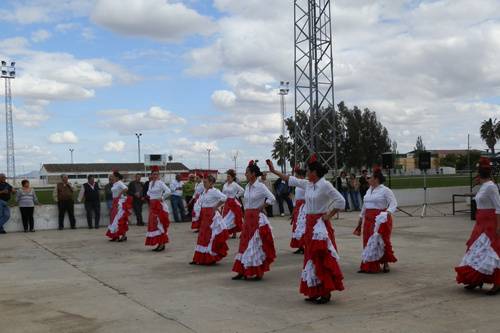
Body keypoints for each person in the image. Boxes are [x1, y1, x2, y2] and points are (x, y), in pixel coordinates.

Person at [268, 155, 346, 304]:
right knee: (311, 257)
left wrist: (328, 215)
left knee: (322, 257)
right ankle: (314, 289)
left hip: (319, 225)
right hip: (310, 224)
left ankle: (325, 291)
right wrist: (274, 171)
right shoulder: (308, 184)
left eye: (309, 171)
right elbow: (290, 179)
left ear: (315, 172)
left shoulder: (325, 185)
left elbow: (341, 201)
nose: (306, 173)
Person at [455, 157, 500, 295]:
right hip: (480, 223)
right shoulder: (484, 186)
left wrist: (498, 226)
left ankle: (497, 283)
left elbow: (499, 207)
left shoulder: (491, 187)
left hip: (490, 223)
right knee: (476, 251)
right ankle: (476, 279)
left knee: (490, 252)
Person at [232, 160, 276, 281]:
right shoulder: (247, 186)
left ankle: (257, 271)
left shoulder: (261, 186)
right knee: (244, 243)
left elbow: (272, 198)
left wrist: (262, 206)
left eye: (247, 172)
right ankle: (242, 269)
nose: (245, 174)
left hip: (256, 217)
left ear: (253, 174)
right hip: (247, 217)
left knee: (255, 244)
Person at [356, 166, 398, 274]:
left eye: (370, 177)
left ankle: (385, 263)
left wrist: (387, 213)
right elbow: (365, 205)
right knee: (368, 241)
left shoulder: (385, 190)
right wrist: (361, 217)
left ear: (376, 179)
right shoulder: (368, 191)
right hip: (368, 219)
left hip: (380, 219)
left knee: (381, 241)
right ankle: (368, 264)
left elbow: (394, 203)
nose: (368, 179)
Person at [190, 175, 228, 265]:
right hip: (204, 216)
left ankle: (209, 257)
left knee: (209, 236)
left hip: (211, 216)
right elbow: (200, 202)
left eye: (205, 182)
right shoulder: (204, 192)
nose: (204, 184)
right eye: (203, 182)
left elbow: (224, 198)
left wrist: (216, 206)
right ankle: (199, 258)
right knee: (202, 236)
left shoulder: (214, 191)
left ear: (211, 183)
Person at [145, 166, 171, 252]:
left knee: (159, 224)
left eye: (156, 174)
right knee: (154, 225)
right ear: (151, 175)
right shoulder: (150, 183)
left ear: (158, 175)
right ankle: (159, 243)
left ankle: (161, 244)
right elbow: (148, 193)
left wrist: (162, 197)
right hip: (152, 206)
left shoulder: (160, 183)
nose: (155, 175)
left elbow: (168, 191)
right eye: (153, 174)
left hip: (158, 206)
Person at [106, 171, 132, 242]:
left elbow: (126, 188)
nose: (111, 177)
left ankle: (123, 236)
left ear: (116, 177)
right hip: (115, 201)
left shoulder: (120, 182)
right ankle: (115, 235)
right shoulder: (115, 183)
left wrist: (120, 194)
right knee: (114, 218)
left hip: (119, 202)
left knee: (119, 219)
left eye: (112, 176)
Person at [222, 169, 244, 238]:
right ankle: (227, 232)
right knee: (225, 217)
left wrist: (236, 196)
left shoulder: (235, 184)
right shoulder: (225, 184)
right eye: (227, 176)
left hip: (233, 203)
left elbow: (242, 190)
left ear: (232, 177)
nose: (227, 178)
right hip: (226, 202)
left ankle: (234, 233)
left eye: (229, 177)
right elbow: (222, 193)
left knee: (233, 218)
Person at [289, 166, 307, 254]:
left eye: (296, 175)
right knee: (296, 226)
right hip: (297, 207)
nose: (295, 177)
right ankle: (300, 246)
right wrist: (294, 210)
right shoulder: (298, 186)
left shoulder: (305, 184)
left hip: (303, 207)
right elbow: (296, 198)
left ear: (301, 176)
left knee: (303, 226)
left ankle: (305, 245)